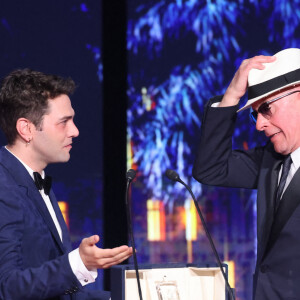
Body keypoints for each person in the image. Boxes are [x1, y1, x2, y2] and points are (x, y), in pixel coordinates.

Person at [0, 68, 133, 300]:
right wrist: (77, 263)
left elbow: (55, 292)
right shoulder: (3, 186)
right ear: (26, 129)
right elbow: (7, 287)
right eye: (64, 122)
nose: (75, 131)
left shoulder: (35, 181)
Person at [192, 48, 300, 299]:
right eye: (255, 114)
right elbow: (211, 168)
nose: (259, 124)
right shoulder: (271, 163)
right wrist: (231, 95)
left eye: (266, 109)